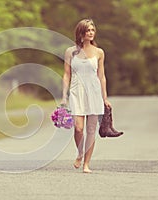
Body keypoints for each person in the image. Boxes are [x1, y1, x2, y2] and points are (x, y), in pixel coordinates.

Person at [61, 18, 111, 173]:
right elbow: (66, 74)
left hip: (94, 92)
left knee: (91, 130)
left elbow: (101, 76)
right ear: (81, 32)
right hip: (76, 91)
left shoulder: (99, 52)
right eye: (88, 30)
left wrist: (105, 98)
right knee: (78, 128)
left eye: (92, 30)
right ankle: (80, 153)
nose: (91, 33)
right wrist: (64, 96)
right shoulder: (71, 51)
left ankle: (86, 164)